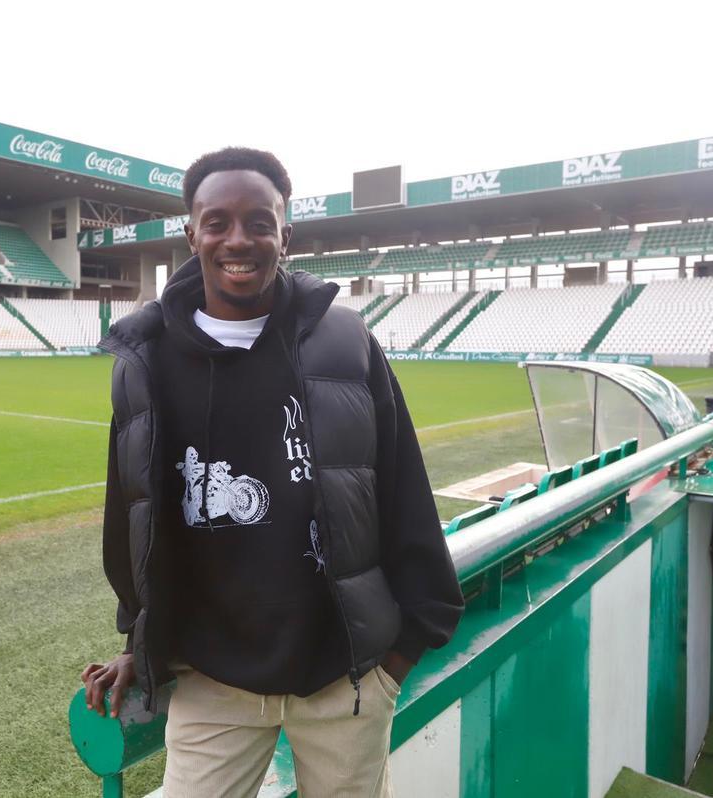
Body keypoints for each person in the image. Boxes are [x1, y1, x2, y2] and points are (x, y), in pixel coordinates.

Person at [81, 147, 464, 797]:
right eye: (218, 221)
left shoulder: (344, 341)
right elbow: (132, 511)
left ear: (286, 235)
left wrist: (398, 661)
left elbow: (402, 487)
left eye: (260, 222)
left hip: (344, 677)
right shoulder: (144, 359)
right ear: (191, 232)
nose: (239, 239)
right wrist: (136, 640)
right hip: (211, 678)